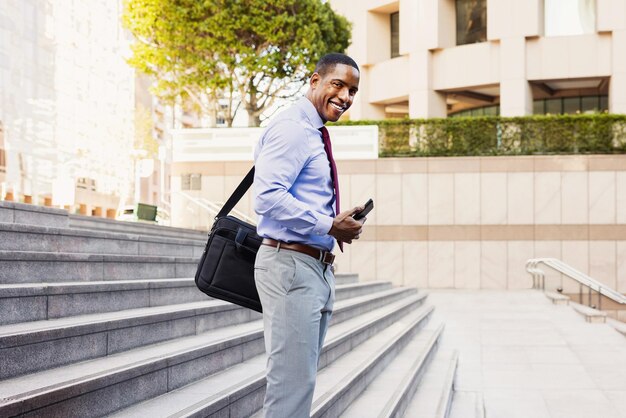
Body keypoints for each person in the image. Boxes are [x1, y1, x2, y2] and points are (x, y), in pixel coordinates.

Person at [253, 52, 365, 418]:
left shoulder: (313, 132)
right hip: (290, 266)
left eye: (352, 90)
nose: (346, 97)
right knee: (290, 391)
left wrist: (334, 222)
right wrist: (329, 225)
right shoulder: (293, 128)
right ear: (314, 81)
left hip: (312, 267)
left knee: (298, 387)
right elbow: (267, 198)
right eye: (339, 84)